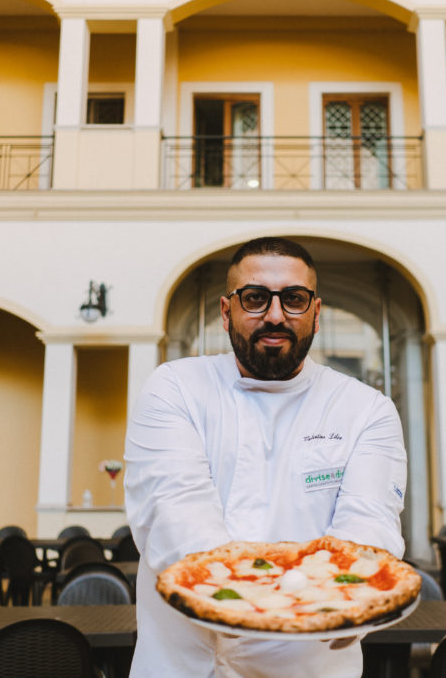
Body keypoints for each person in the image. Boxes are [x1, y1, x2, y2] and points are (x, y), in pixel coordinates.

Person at [124, 237, 408, 677]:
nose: (275, 315)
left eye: (293, 299)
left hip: (312, 665)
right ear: (225, 311)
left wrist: (340, 598)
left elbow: (368, 530)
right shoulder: (174, 388)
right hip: (183, 665)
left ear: (316, 312)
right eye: (255, 298)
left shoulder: (367, 409)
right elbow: (176, 516)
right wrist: (276, 597)